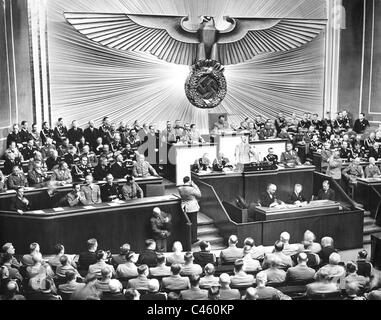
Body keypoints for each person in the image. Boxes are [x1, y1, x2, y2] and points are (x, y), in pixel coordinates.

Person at [177, 176, 201, 244]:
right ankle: (194, 238)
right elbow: (199, 195)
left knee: (187, 223)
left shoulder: (180, 188)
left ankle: (187, 238)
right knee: (194, 223)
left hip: (184, 207)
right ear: (189, 181)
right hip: (192, 207)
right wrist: (195, 185)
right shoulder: (191, 189)